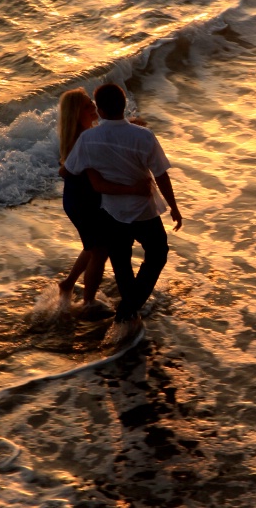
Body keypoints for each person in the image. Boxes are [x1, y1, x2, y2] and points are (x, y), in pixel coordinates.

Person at [64, 82, 182, 340]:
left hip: (112, 212)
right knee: (157, 254)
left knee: (122, 265)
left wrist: (94, 170)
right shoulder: (143, 136)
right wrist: (173, 207)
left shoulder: (88, 139)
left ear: (101, 110)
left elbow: (70, 169)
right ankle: (128, 312)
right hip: (144, 211)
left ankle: (127, 312)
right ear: (124, 105)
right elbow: (161, 174)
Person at [57, 88, 150, 319]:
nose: (95, 108)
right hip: (82, 201)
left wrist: (129, 124)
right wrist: (134, 189)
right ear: (78, 113)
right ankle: (88, 302)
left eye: (93, 104)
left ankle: (68, 284)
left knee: (93, 246)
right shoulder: (82, 139)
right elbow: (71, 173)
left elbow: (107, 135)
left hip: (86, 198)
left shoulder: (87, 132)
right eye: (89, 106)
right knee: (100, 250)